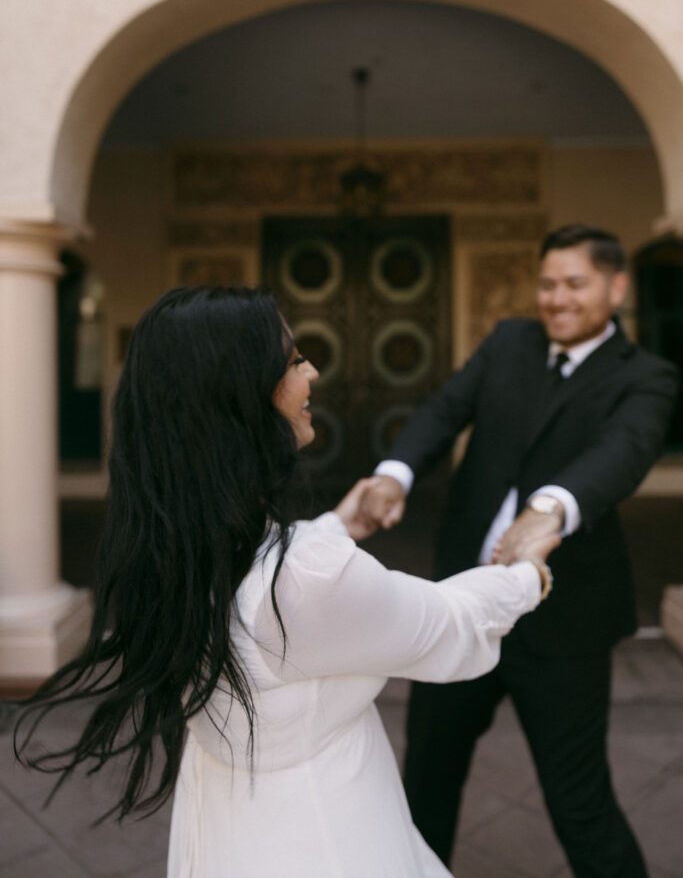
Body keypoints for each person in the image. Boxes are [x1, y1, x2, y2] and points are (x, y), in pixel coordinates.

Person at [13, 284, 558, 878]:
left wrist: (336, 526)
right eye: (295, 359)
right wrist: (528, 572)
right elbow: (449, 625)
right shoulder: (304, 579)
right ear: (241, 396)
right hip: (327, 837)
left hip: (234, 827)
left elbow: (267, 586)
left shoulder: (173, 545)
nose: (313, 372)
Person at [363, 224, 679, 877]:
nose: (555, 298)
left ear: (615, 287)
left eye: (573, 283)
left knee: (578, 802)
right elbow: (443, 408)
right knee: (424, 780)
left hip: (562, 623)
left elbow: (622, 451)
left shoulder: (646, 375)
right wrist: (393, 473)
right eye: (546, 283)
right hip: (458, 609)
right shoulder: (509, 341)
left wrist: (550, 507)